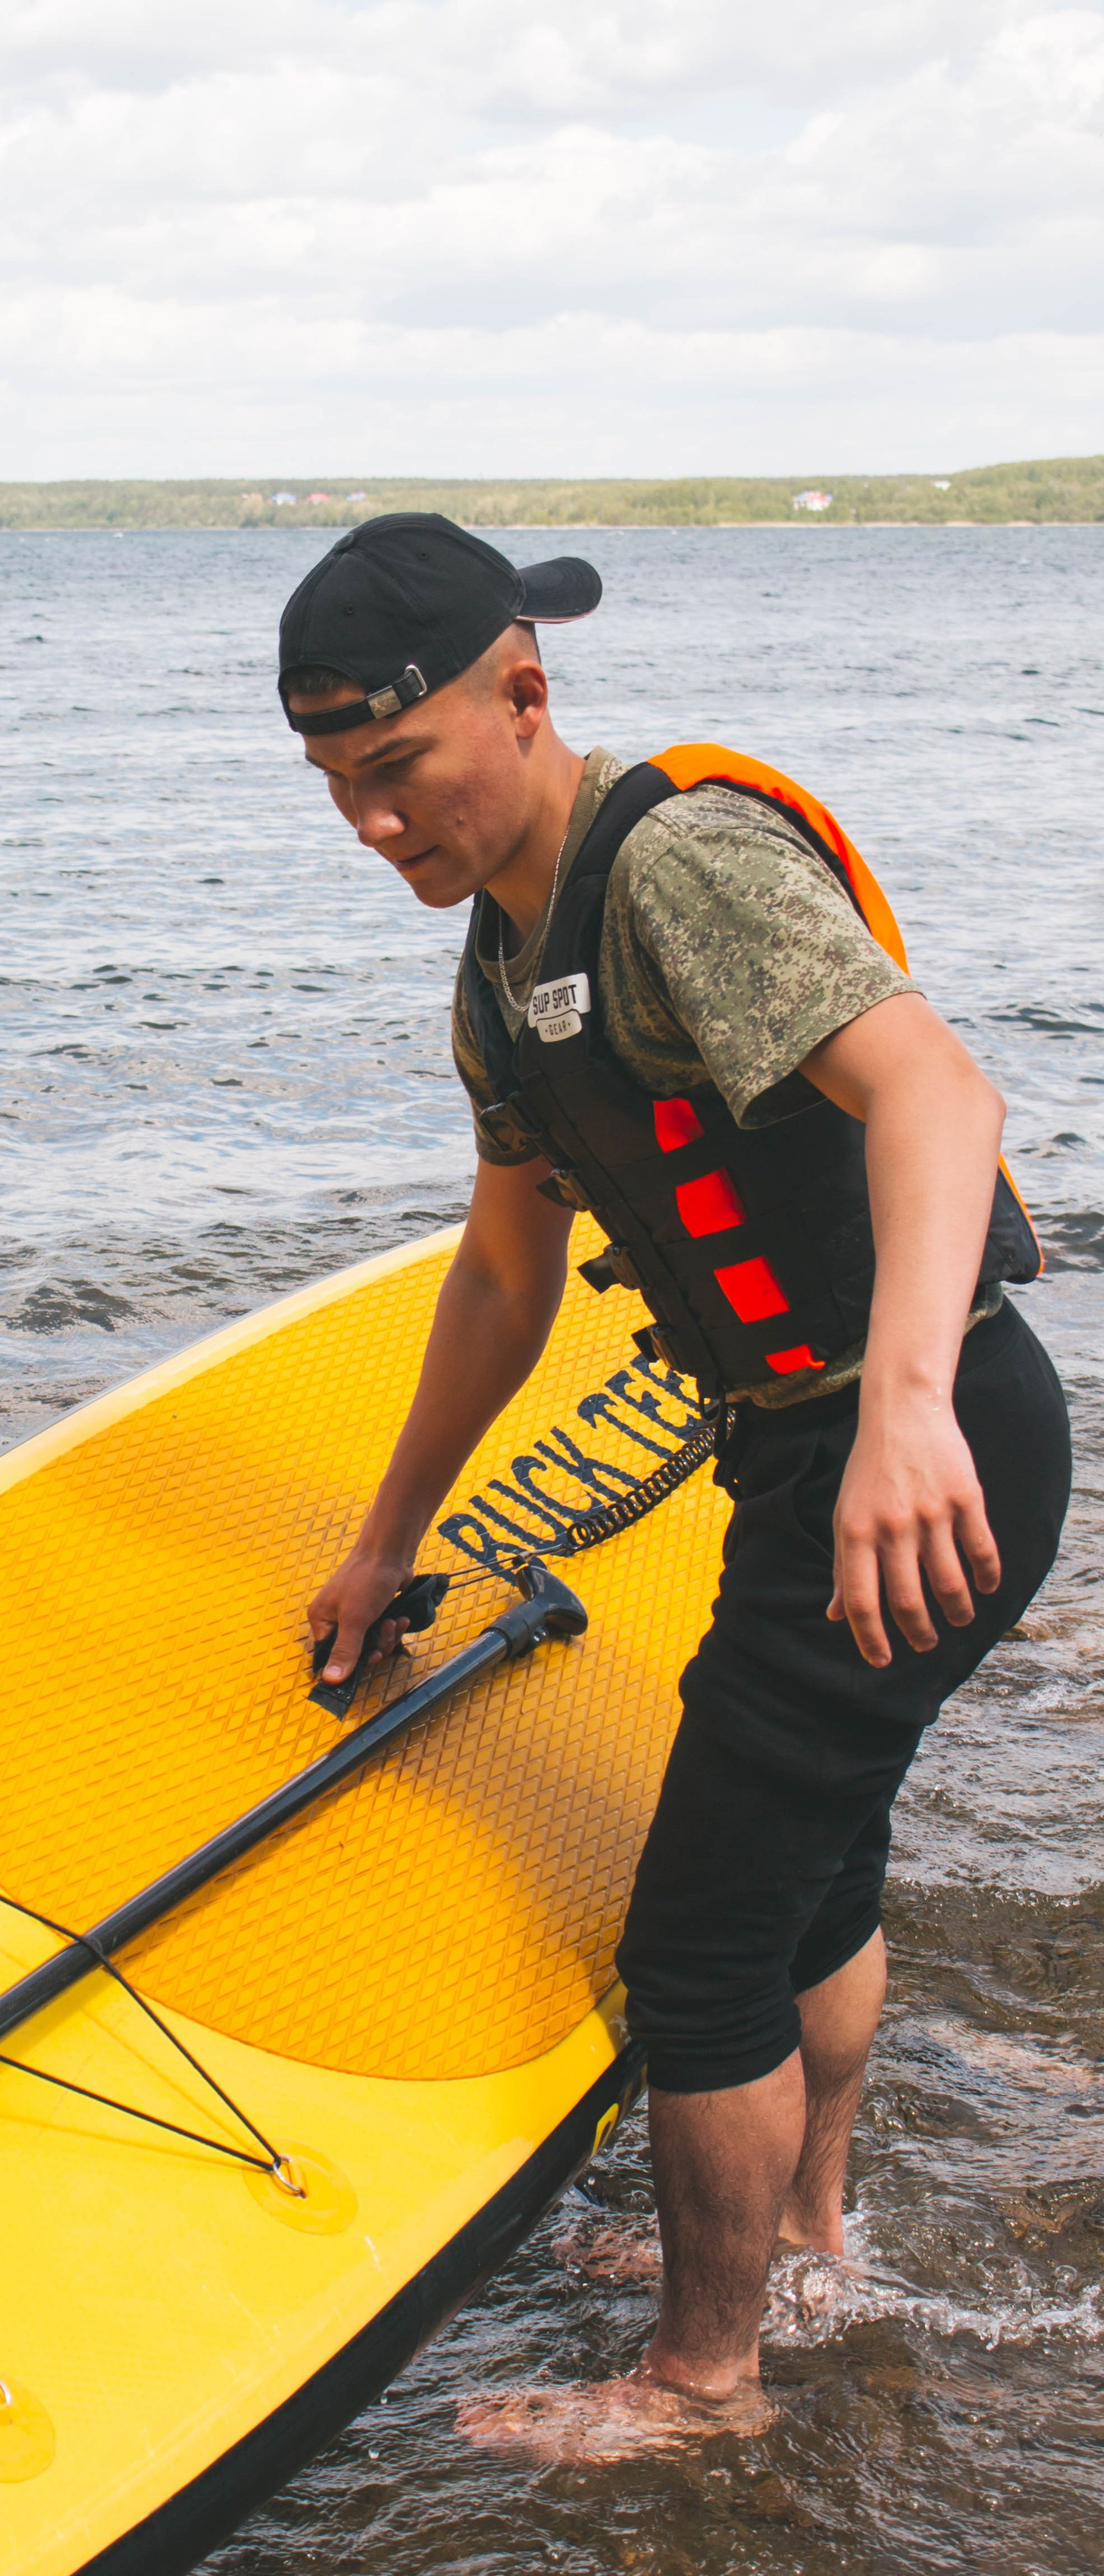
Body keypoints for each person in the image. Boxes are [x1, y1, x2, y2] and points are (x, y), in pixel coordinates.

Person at [283, 514, 1071, 2458]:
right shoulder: (499, 968)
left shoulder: (676, 868)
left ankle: (702, 2380)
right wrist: (384, 1541)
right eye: (334, 782)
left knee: (695, 1941)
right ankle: (798, 2240)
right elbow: (500, 1277)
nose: (370, 821)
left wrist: (898, 1414)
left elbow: (936, 1094)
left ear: (520, 694)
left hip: (918, 1439)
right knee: (809, 1858)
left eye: (397, 766)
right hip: (825, 1447)